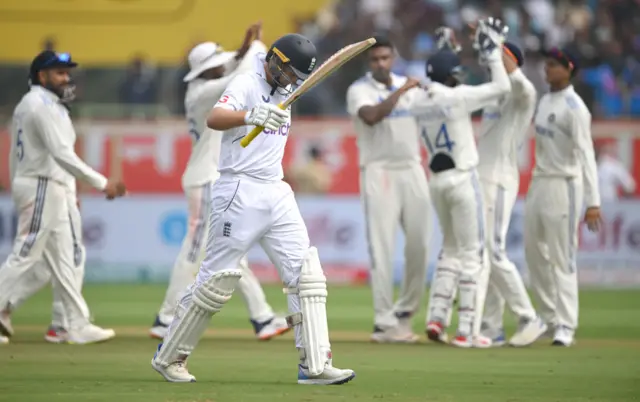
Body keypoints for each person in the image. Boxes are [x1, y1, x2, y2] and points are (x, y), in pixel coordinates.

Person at [151, 33, 355, 385]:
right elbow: (215, 118)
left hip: (276, 190)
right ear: (275, 61)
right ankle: (170, 357)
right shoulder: (247, 82)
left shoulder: (286, 89)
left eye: (297, 77)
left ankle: (314, 365)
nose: (292, 81)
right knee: (215, 281)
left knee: (306, 276)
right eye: (289, 73)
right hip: (238, 189)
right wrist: (250, 115)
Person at [150, 23, 290, 341]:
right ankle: (166, 316)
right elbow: (240, 74)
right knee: (196, 248)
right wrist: (257, 50)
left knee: (231, 251)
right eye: (217, 64)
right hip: (204, 179)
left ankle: (263, 317)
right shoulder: (203, 93)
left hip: (209, 177)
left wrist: (244, 45)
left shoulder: (208, 83)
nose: (223, 65)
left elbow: (231, 65)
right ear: (208, 71)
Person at [0, 51, 126, 344]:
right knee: (26, 254)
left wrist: (64, 188)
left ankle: (74, 324)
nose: (66, 78)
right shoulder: (38, 105)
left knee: (64, 258)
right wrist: (101, 182)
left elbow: (25, 155)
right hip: (42, 184)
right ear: (42, 76)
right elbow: (61, 154)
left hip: (46, 185)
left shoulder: (46, 105)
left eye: (67, 72)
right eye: (59, 73)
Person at [413, 18, 511, 348]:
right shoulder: (457, 98)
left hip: (436, 182)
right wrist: (492, 52)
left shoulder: (418, 100)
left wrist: (444, 54)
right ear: (452, 76)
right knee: (473, 255)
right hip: (462, 179)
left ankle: (437, 318)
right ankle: (467, 330)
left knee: (450, 251)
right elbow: (502, 88)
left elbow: (437, 77)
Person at [345, 36, 430, 343]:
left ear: (393, 57)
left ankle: (404, 314)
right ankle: (383, 322)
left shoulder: (411, 88)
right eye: (375, 60)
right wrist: (402, 90)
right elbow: (371, 117)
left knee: (420, 244)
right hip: (378, 170)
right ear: (368, 63)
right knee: (382, 249)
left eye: (385, 58)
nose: (381, 64)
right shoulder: (360, 90)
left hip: (411, 168)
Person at [526, 47, 601, 347]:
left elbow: (587, 155)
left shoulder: (575, 108)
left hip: (565, 184)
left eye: (553, 66)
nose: (547, 70)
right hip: (540, 181)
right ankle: (549, 316)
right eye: (546, 65)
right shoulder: (545, 100)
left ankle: (566, 325)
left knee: (562, 257)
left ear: (568, 69)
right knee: (534, 254)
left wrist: (593, 202)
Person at [476, 41, 548, 347]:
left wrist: (501, 57)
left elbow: (524, 88)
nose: (493, 59)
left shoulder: (522, 96)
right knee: (485, 255)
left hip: (501, 179)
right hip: (482, 178)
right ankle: (492, 327)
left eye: (501, 56)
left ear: (513, 62)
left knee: (494, 251)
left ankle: (529, 316)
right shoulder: (494, 95)